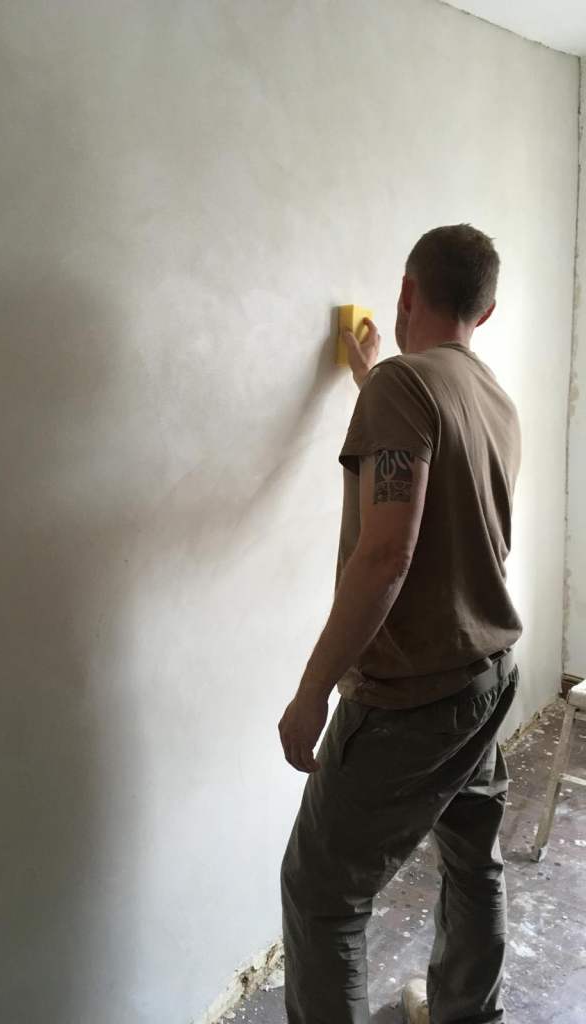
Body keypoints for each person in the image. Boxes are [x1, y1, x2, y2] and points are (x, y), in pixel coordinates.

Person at [278, 224, 522, 1024]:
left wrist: (311, 691)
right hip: (486, 677)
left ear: (407, 292)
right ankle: (466, 1013)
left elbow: (386, 556)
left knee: (322, 894)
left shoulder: (402, 389)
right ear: (485, 312)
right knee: (474, 862)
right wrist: (370, 380)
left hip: (410, 700)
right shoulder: (491, 397)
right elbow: (427, 462)